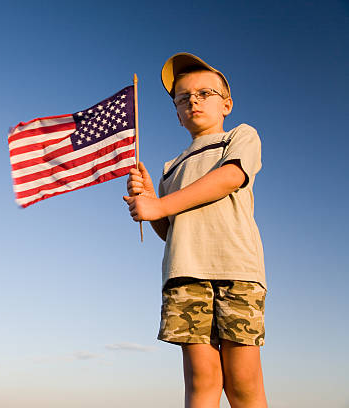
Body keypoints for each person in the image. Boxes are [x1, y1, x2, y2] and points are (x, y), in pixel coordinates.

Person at [123, 53, 268, 408]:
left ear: (227, 104)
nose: (193, 101)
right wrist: (150, 201)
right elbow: (170, 231)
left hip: (237, 270)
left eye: (205, 93)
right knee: (202, 380)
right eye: (183, 98)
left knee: (243, 382)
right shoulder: (171, 168)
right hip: (185, 274)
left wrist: (159, 205)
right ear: (176, 114)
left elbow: (230, 177)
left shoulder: (240, 136)